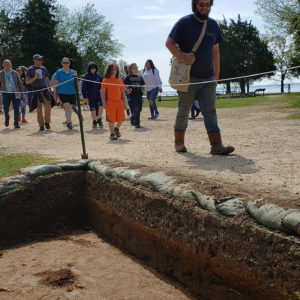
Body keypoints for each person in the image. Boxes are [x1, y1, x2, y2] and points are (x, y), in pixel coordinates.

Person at [166, 0, 234, 155]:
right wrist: (183, 57)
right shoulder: (184, 22)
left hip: (208, 78)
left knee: (210, 111)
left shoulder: (213, 25)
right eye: (201, 4)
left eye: (207, 4)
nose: (205, 7)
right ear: (194, 5)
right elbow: (169, 43)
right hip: (188, 78)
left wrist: (215, 76)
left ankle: (216, 145)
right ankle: (179, 143)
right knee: (183, 111)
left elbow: (216, 51)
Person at [26, 54, 52, 131]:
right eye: (39, 60)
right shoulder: (30, 69)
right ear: (35, 60)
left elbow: (47, 79)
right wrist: (34, 77)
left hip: (44, 90)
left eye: (41, 60)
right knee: (39, 109)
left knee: (48, 105)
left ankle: (47, 122)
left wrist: (49, 87)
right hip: (36, 91)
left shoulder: (44, 68)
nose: (41, 61)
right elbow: (27, 82)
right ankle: (41, 125)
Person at [100, 63, 126, 140]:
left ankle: (116, 128)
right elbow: (102, 92)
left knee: (121, 119)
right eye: (111, 69)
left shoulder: (120, 80)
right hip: (110, 103)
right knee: (111, 119)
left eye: (115, 69)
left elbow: (123, 92)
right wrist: (104, 103)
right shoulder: (105, 80)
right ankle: (112, 134)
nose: (113, 71)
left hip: (119, 102)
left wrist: (124, 103)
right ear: (108, 70)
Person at [0, 59, 25, 128]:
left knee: (17, 108)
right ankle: (7, 117)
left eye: (9, 64)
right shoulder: (1, 73)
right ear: (3, 65)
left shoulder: (14, 73)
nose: (8, 65)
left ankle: (16, 122)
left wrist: (22, 93)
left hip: (15, 93)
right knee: (5, 108)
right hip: (5, 93)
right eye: (7, 64)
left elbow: (20, 84)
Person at [53, 57, 77, 129]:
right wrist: (55, 93)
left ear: (69, 63)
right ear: (61, 63)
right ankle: (69, 123)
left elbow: (76, 83)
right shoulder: (59, 72)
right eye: (64, 63)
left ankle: (68, 120)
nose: (66, 64)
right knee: (67, 106)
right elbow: (55, 83)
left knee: (69, 108)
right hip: (62, 92)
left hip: (72, 92)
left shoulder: (74, 72)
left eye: (67, 62)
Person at [82, 62, 103, 128]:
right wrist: (85, 96)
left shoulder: (99, 75)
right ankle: (94, 121)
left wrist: (103, 92)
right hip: (90, 95)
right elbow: (84, 87)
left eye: (94, 67)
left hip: (99, 95)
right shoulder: (86, 76)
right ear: (89, 69)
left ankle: (99, 119)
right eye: (91, 68)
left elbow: (102, 85)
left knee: (100, 106)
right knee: (93, 109)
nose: (93, 69)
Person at [124, 63, 145, 128]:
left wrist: (144, 91)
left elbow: (143, 85)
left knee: (139, 108)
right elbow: (123, 85)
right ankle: (137, 123)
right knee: (136, 108)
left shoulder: (140, 77)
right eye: (134, 67)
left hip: (139, 95)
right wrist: (127, 89)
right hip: (132, 95)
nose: (136, 68)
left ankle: (133, 116)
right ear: (131, 70)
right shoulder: (128, 77)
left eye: (136, 67)